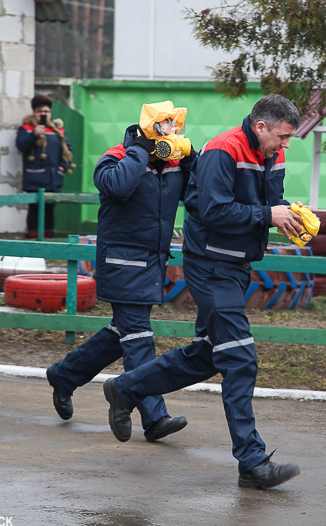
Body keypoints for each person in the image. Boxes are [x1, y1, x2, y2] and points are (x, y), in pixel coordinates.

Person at [103, 94, 308, 489]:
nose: (285, 146)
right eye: (282, 137)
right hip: (209, 266)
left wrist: (285, 214)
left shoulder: (273, 155)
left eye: (288, 140)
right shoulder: (221, 150)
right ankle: (252, 461)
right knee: (241, 358)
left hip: (238, 267)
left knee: (209, 355)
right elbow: (210, 210)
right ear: (260, 126)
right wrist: (268, 215)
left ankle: (125, 387)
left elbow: (268, 202)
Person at [46, 100, 197, 442]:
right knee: (138, 336)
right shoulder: (115, 157)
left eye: (176, 127)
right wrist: (139, 152)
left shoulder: (172, 163)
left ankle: (64, 375)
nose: (172, 132)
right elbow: (117, 187)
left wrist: (191, 158)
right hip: (122, 263)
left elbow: (199, 191)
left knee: (123, 332)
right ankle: (154, 417)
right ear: (149, 129)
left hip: (152, 262)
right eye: (166, 127)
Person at [15, 94, 75, 239]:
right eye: (40, 111)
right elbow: (21, 145)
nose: (43, 114)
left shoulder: (58, 130)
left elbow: (68, 150)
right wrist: (34, 135)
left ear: (50, 113)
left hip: (54, 178)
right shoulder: (27, 128)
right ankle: (33, 235)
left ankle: (48, 236)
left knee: (49, 208)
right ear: (34, 113)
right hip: (34, 177)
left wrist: (62, 167)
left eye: (46, 112)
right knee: (34, 208)